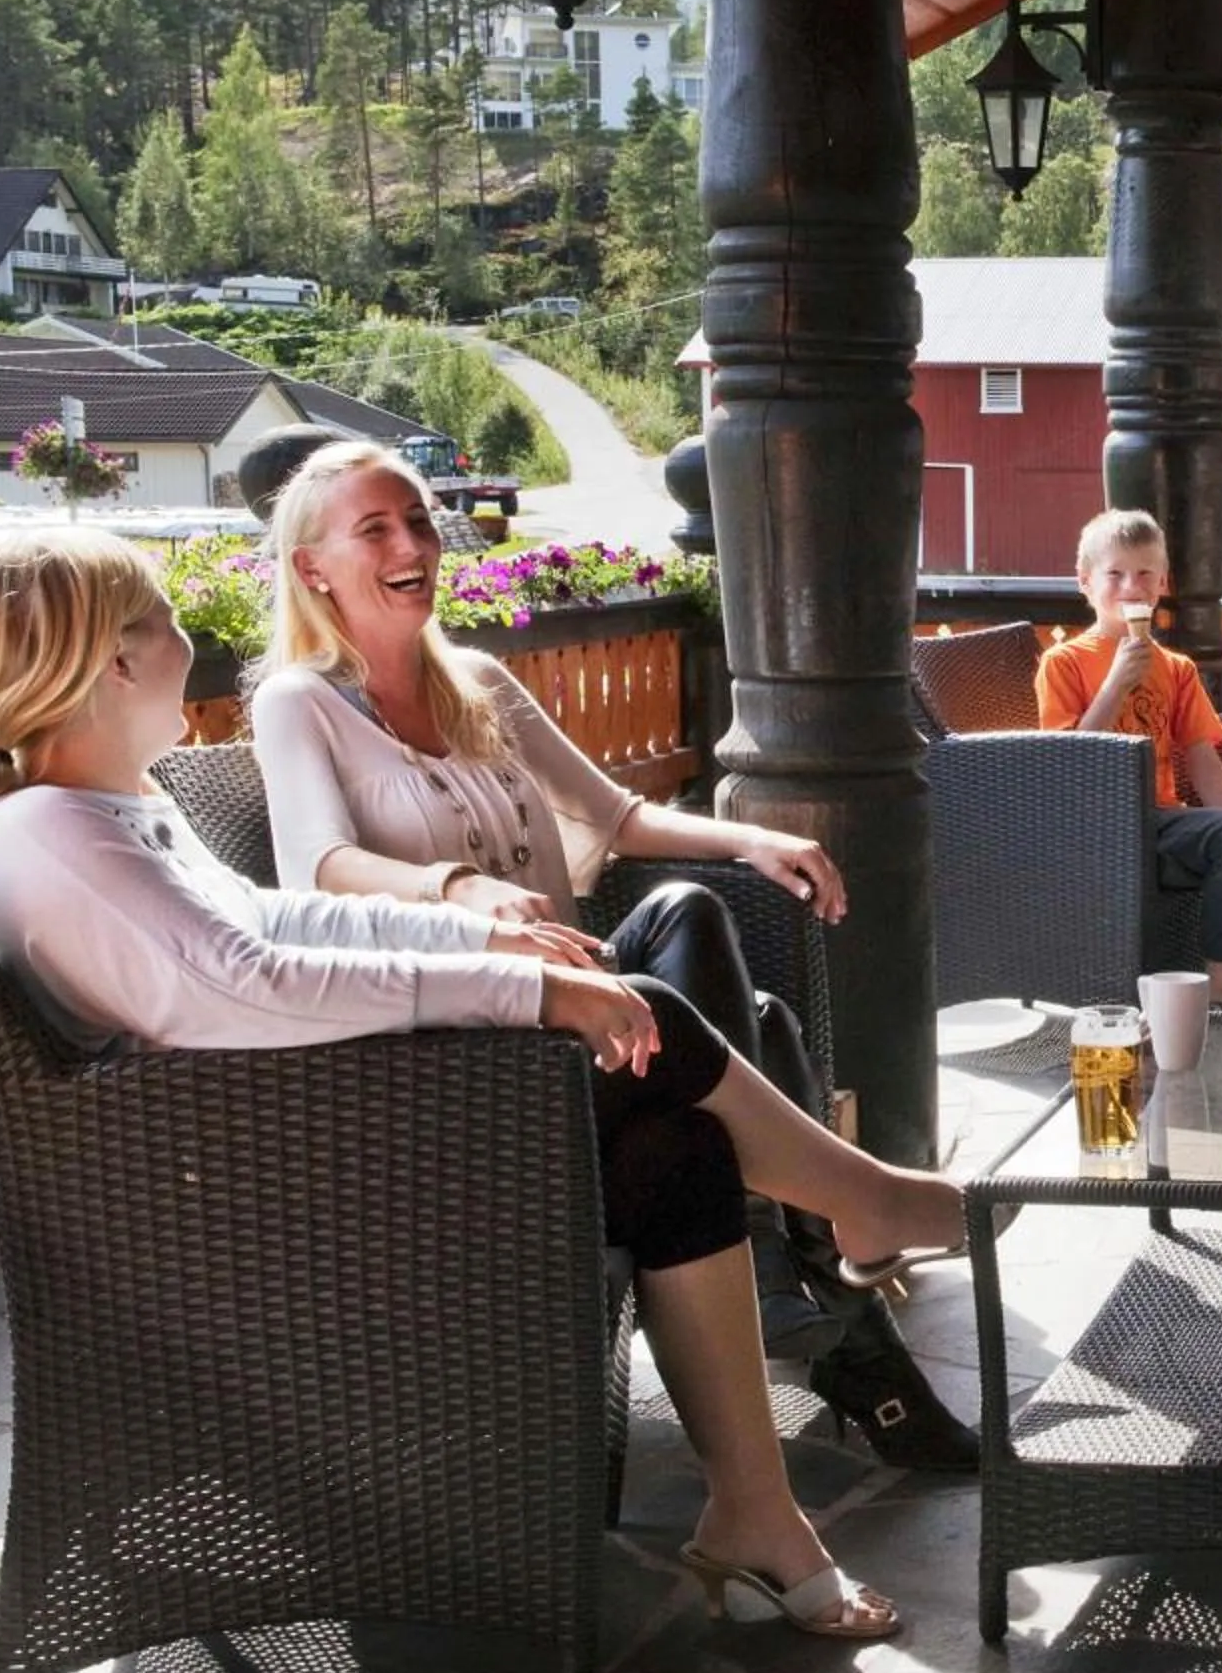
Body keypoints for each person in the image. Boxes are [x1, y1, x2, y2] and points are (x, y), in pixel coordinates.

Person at [0, 526, 967, 1638]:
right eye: (162, 618)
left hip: (314, 1138)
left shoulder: (110, 811)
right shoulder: (46, 834)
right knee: (650, 1018)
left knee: (681, 1147)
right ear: (112, 663)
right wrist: (518, 993)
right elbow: (245, 984)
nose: (190, 637)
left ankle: (756, 1512)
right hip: (278, 1208)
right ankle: (862, 1199)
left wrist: (497, 954)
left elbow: (282, 917)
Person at [244, 440, 976, 1471]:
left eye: (418, 519)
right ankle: (824, 1276)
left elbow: (618, 817)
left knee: (686, 914)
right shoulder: (299, 704)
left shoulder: (481, 683)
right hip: (472, 1034)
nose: (413, 543)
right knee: (755, 1028)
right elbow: (317, 865)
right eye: (376, 529)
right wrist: (453, 888)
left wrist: (751, 837)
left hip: (594, 1012)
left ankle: (783, 1258)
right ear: (314, 566)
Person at [1038, 507, 1222, 1008]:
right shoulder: (1065, 662)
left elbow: (1202, 757)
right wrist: (1117, 681)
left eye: (1144, 574)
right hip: (1105, 821)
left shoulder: (1175, 667)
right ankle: (1216, 983)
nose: (1130, 587)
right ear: (1085, 583)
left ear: (1161, 583)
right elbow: (1068, 761)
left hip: (1167, 819)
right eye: (1114, 574)